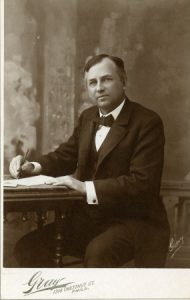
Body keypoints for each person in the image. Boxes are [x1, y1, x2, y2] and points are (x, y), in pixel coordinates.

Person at [9, 54, 170, 268]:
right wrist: (33, 167)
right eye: (92, 82)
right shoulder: (88, 117)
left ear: (123, 81)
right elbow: (65, 156)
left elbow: (142, 184)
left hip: (134, 222)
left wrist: (85, 187)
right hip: (91, 220)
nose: (99, 87)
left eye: (106, 79)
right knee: (29, 247)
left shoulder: (147, 122)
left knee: (98, 253)